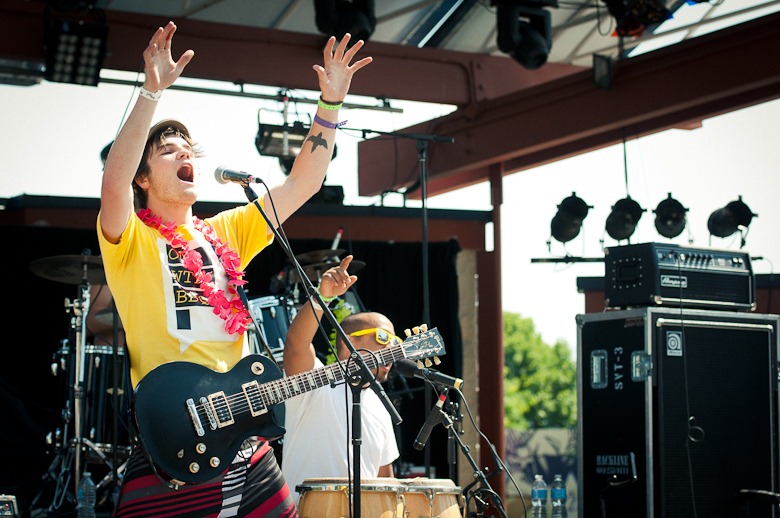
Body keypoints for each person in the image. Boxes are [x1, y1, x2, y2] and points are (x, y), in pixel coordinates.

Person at [96, 21, 371, 516]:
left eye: (188, 150)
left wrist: (329, 105)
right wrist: (150, 92)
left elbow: (303, 183)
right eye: (167, 151)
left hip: (244, 434)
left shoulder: (225, 231)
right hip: (178, 430)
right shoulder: (132, 238)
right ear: (143, 177)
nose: (185, 154)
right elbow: (112, 185)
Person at [281, 255, 401, 505]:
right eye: (381, 337)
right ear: (348, 343)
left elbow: (385, 481)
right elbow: (295, 345)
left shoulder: (381, 407)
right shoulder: (316, 383)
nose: (391, 347)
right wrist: (321, 297)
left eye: (395, 341)